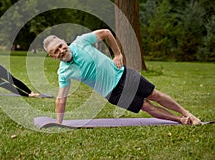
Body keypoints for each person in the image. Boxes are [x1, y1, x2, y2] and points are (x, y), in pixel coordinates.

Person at [43, 29, 201, 125]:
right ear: (52, 56)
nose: (61, 51)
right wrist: (59, 123)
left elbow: (106, 33)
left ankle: (187, 113)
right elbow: (61, 99)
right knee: (145, 106)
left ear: (64, 42)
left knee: (155, 95)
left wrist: (118, 54)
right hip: (113, 94)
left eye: (60, 46)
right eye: (56, 52)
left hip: (123, 74)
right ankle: (180, 120)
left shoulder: (80, 42)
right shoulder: (64, 72)